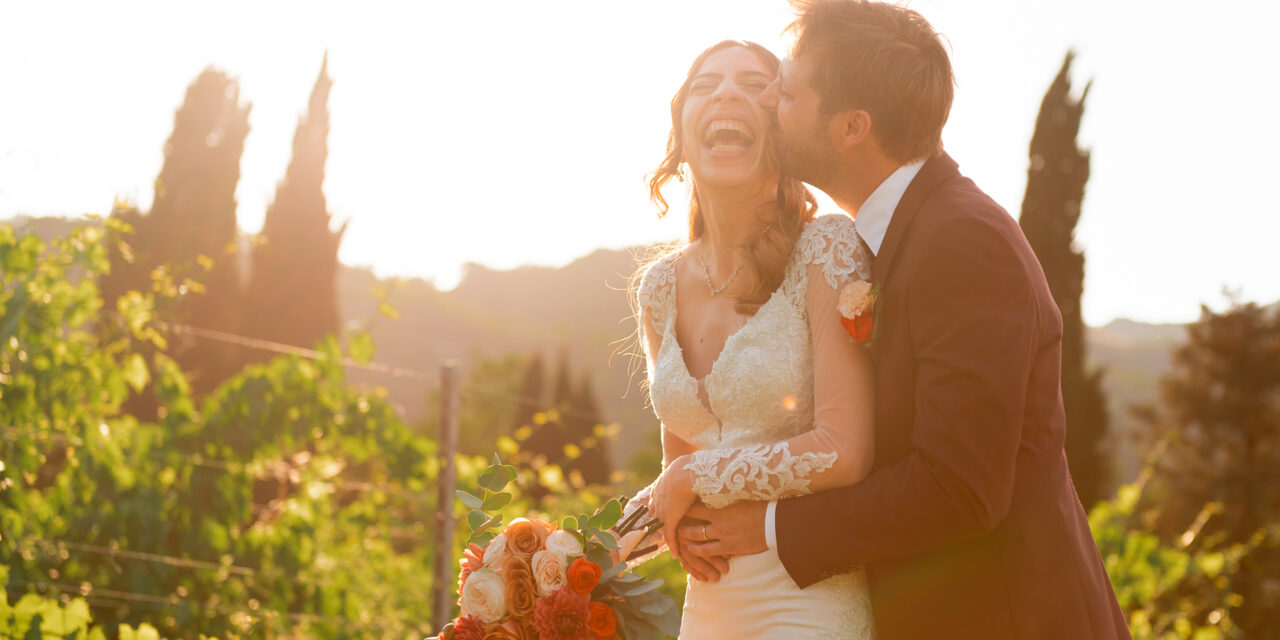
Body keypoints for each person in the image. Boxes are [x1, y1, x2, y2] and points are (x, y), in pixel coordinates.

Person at [668, 1, 1133, 639]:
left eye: (791, 91)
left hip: (1006, 618)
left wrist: (770, 526)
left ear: (852, 126)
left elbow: (960, 488)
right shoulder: (889, 239)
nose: (772, 98)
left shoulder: (962, 239)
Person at [636, 39, 878, 637]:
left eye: (752, 84)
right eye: (705, 84)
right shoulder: (658, 288)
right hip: (710, 606)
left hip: (810, 596)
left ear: (783, 130)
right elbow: (677, 486)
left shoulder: (828, 249)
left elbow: (844, 451)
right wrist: (556, 562)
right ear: (681, 132)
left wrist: (696, 478)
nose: (725, 93)